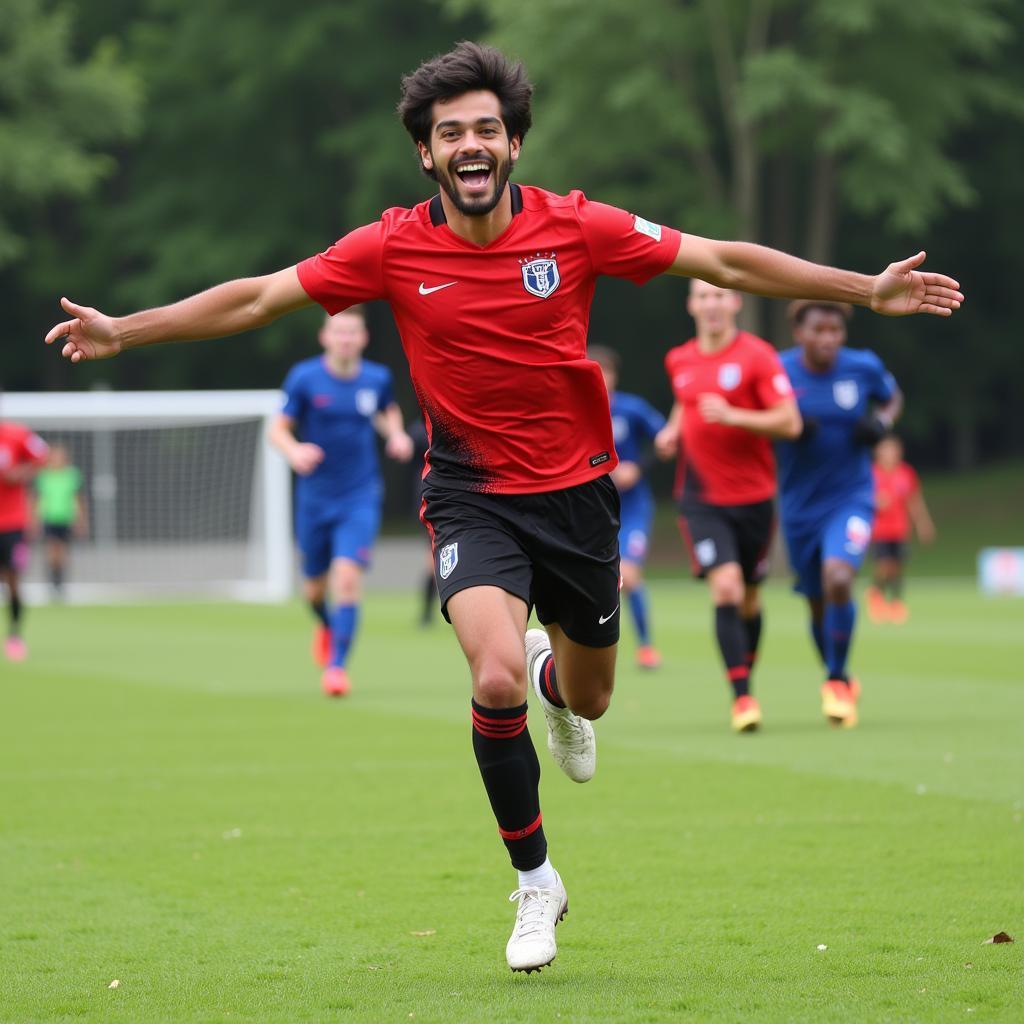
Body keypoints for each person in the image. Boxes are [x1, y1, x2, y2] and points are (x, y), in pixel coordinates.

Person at [44, 42, 963, 973]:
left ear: (514, 144)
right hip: (470, 495)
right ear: (427, 155)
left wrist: (863, 288)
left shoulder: (578, 228)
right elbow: (258, 300)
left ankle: (557, 686)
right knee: (490, 681)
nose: (470, 144)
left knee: (589, 689)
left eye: (487, 128)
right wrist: (128, 327)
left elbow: (720, 258)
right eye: (451, 134)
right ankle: (535, 882)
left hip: (578, 499)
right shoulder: (392, 245)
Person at [655, 281, 802, 732]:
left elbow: (790, 422)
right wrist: (672, 430)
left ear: (735, 302)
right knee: (727, 589)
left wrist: (736, 415)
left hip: (755, 498)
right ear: (691, 305)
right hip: (701, 499)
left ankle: (745, 672)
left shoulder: (757, 356)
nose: (712, 304)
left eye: (720, 295)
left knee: (750, 600)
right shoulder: (678, 358)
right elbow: (686, 400)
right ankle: (742, 699)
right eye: (703, 296)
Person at [269, 307, 413, 697]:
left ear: (363, 338)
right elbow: (277, 429)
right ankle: (327, 625)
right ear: (325, 337)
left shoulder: (377, 378)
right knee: (314, 591)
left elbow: (385, 410)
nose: (346, 339)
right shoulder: (304, 378)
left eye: (353, 332)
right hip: (315, 498)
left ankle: (336, 668)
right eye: (339, 332)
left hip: (360, 495)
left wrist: (396, 435)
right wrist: (295, 451)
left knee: (347, 579)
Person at [775, 301, 904, 728]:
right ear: (799, 332)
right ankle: (841, 674)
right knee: (816, 604)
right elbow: (757, 415)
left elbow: (891, 398)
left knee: (840, 578)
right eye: (819, 330)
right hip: (798, 507)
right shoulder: (778, 370)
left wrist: (881, 423)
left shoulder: (863, 366)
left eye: (835, 331)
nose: (828, 339)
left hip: (851, 496)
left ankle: (834, 680)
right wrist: (787, 425)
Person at [589, 345, 666, 669]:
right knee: (593, 580)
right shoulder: (576, 412)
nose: (601, 379)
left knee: (629, 575)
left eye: (606, 372)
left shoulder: (632, 409)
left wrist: (637, 467)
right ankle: (592, 650)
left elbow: (665, 439)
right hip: (592, 509)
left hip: (632, 508)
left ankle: (646, 646)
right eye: (595, 372)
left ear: (614, 376)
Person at [866, 434, 936, 623]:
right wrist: (875, 502)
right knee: (884, 565)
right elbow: (860, 499)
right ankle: (876, 595)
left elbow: (914, 501)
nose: (889, 453)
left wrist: (923, 523)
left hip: (899, 529)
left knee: (897, 567)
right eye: (885, 449)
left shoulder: (906, 473)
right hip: (879, 529)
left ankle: (896, 603)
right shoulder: (871, 474)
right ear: (878, 452)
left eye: (893, 449)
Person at [0, 416, 49, 659]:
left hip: (12, 522)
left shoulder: (17, 435)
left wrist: (20, 472)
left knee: (13, 580)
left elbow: (43, 455)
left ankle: (15, 635)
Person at [34, 443, 88, 601]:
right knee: (52, 552)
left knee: (62, 553)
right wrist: (33, 521)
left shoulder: (72, 475)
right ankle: (52, 582)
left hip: (66, 518)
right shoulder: (43, 475)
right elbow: (36, 499)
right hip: (49, 518)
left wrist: (82, 520)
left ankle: (60, 584)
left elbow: (79, 499)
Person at [407, 418, 439, 626]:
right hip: (431, 505)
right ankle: (427, 614)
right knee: (434, 562)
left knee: (437, 562)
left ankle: (428, 614)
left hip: (454, 502)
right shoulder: (419, 431)